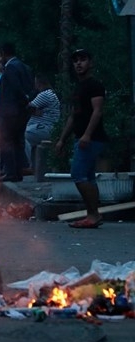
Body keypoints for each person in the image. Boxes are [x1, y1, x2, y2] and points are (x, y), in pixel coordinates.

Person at [55, 48, 108, 229]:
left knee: (77, 174)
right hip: (81, 138)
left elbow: (98, 111)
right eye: (75, 60)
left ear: (90, 63)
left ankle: (93, 214)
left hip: (92, 139)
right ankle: (93, 215)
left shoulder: (94, 85)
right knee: (88, 177)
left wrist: (87, 134)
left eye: (83, 59)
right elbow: (73, 116)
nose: (78, 63)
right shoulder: (78, 88)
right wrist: (62, 139)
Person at [0, 42, 34, 182]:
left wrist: (23, 100)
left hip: (10, 113)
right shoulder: (24, 67)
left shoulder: (10, 68)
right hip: (21, 113)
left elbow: (16, 89)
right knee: (18, 141)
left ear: (3, 53)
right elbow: (30, 88)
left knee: (6, 141)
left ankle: (10, 172)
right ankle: (17, 173)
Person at [24, 74, 60, 165]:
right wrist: (35, 111)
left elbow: (27, 107)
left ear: (39, 83)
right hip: (45, 128)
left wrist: (32, 110)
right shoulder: (51, 93)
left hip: (45, 128)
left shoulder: (45, 94)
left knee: (22, 136)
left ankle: (27, 165)